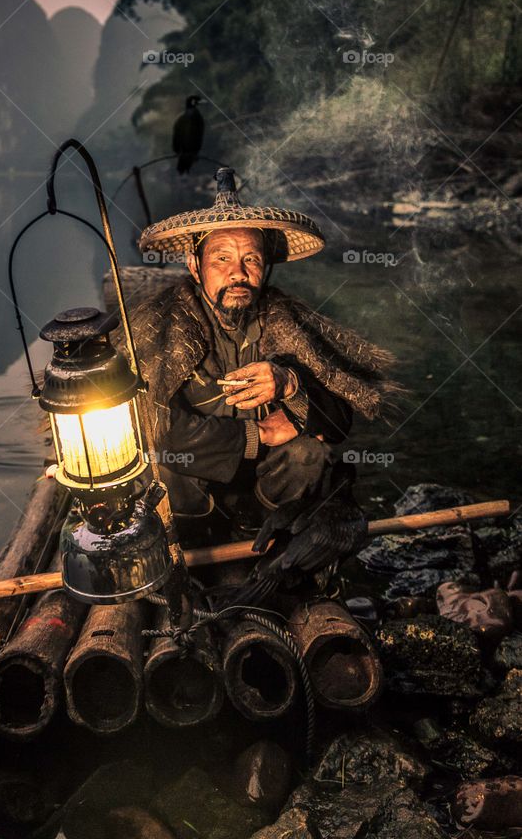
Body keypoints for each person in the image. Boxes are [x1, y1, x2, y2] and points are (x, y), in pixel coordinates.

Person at [123, 169, 399, 590]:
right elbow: (152, 429)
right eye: (222, 259)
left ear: (265, 267)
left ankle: (266, 543)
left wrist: (291, 384)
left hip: (261, 498)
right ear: (195, 266)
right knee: (164, 465)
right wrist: (260, 435)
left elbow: (339, 421)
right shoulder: (160, 327)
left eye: (250, 259)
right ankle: (190, 557)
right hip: (192, 499)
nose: (238, 273)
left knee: (309, 453)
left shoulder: (285, 321)